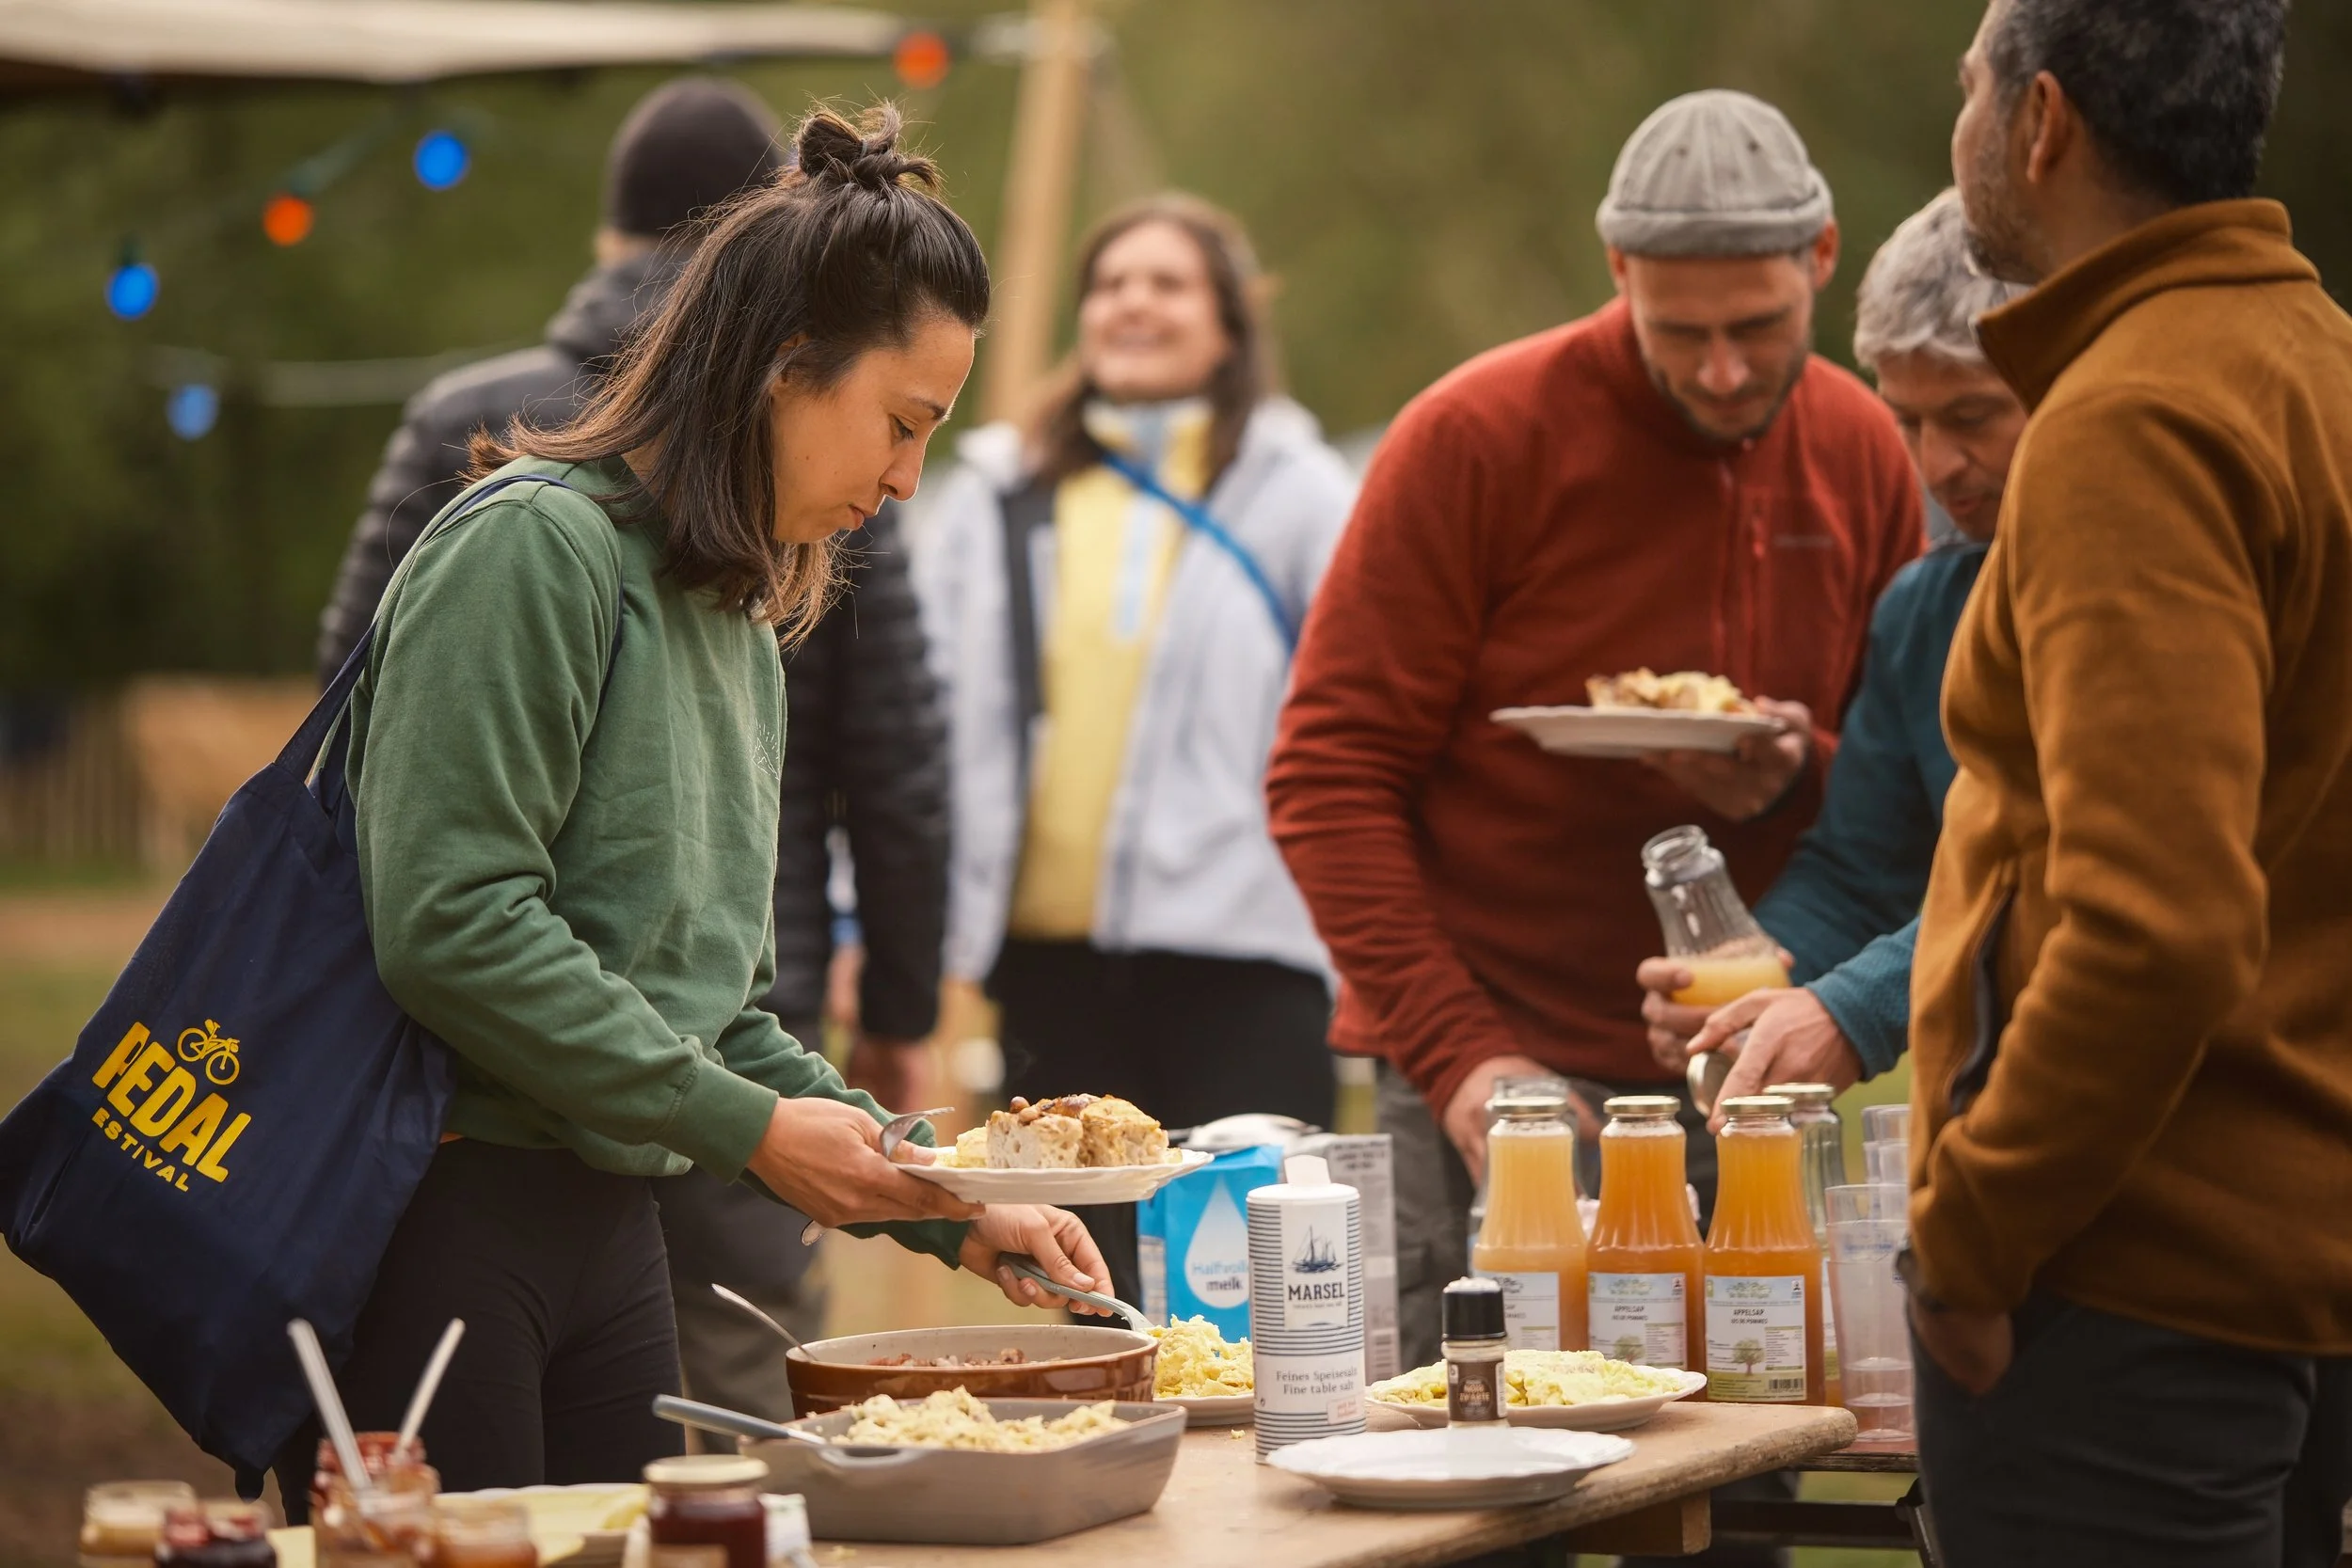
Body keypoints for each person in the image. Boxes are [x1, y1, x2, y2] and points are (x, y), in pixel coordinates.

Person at [286, 105, 1108, 1504]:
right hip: (438, 1220)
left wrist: (949, 1208)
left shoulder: (738, 606)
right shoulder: (531, 547)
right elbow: (449, 922)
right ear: (787, 367)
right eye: (901, 424)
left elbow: (715, 1011)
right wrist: (743, 1125)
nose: (908, 478)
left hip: (614, 1234)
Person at [1266, 89, 1922, 1370]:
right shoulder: (1475, 435)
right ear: (1618, 270)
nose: (1724, 369)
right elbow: (1327, 771)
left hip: (1743, 1078)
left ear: (1823, 260)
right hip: (1492, 1072)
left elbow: (1897, 802)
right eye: (1680, 331)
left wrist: (1793, 770)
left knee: (1735, 1471)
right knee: (1470, 1474)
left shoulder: (1866, 446)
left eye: (1759, 327)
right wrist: (1461, 1055)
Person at [1906, 2, 2352, 1562]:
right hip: (2287, 1270)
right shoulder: (2317, 360)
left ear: (2040, 124)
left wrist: (1971, 1241)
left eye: (1964, 84)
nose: (1952, 120)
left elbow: (2158, 915)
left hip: (2125, 1290)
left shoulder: (2131, 415)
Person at [913, 194, 1354, 1306]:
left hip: (1246, 958)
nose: (1132, 303)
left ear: (1229, 318)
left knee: (1257, 1295)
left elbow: (1361, 708)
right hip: (1053, 969)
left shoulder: (1301, 493)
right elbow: (926, 714)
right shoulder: (999, 490)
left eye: (1167, 282)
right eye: (1110, 283)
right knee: (1081, 1291)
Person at [1633, 190, 2026, 1109]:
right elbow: (1860, 869)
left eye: (1970, 417)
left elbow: (2064, 875)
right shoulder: (1923, 606)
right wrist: (1759, 972)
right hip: (1989, 1129)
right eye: (1909, 422)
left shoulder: (2147, 579)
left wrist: (1852, 1007)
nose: (1936, 467)